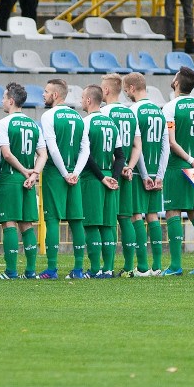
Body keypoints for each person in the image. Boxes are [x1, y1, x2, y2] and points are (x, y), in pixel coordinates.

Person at [162, 67, 194, 275]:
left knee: (173, 212)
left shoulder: (170, 107)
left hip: (177, 167)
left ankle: (175, 266)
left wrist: (190, 159)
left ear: (177, 82)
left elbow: (172, 142)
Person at [40, 79, 90, 279]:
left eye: (46, 91)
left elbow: (52, 148)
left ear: (55, 95)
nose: (43, 95)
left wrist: (64, 173)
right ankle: (78, 269)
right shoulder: (78, 117)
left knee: (52, 219)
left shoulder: (48, 116)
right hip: (74, 175)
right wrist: (75, 172)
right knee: (76, 220)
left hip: (56, 173)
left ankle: (52, 269)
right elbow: (85, 149)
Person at [0, 82, 47, 279]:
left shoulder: (4, 123)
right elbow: (43, 154)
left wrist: (25, 171)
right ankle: (31, 271)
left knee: (8, 223)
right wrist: (34, 174)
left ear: (11, 101)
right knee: (27, 225)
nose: (2, 101)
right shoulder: (33, 124)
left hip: (11, 177)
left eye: (3, 97)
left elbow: (7, 154)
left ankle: (10, 272)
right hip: (28, 180)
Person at [123, 73, 169, 276]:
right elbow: (165, 147)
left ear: (132, 88)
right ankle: (157, 266)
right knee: (153, 217)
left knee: (136, 216)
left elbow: (137, 146)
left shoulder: (133, 111)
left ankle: (142, 267)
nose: (125, 93)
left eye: (126, 90)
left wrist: (143, 175)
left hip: (139, 172)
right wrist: (159, 174)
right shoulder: (160, 113)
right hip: (156, 172)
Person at [100, 74, 142, 277]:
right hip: (126, 173)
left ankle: (105, 266)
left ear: (106, 90)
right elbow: (137, 145)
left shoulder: (103, 112)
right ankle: (128, 267)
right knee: (127, 218)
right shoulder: (130, 113)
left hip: (108, 173)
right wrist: (129, 167)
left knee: (107, 220)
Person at [81, 85, 124, 278]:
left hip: (93, 178)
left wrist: (101, 178)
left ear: (89, 100)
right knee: (108, 225)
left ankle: (94, 269)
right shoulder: (111, 124)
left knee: (91, 224)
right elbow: (121, 156)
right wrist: (113, 178)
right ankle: (108, 269)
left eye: (83, 97)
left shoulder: (86, 123)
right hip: (110, 178)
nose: (81, 101)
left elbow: (86, 155)